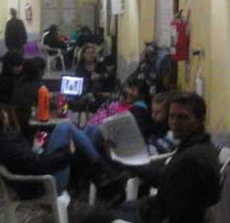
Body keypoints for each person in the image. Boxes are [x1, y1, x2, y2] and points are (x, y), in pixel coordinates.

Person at [81, 93, 221, 223]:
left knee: (93, 217)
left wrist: (144, 206)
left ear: (200, 119)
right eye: (171, 116)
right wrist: (127, 162)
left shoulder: (193, 158)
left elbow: (171, 209)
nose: (175, 122)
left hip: (157, 216)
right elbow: (163, 178)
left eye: (183, 117)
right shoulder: (197, 145)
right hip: (157, 206)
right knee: (110, 209)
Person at [0, 102, 122, 198]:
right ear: (0, 119)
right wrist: (67, 152)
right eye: (3, 112)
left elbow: (28, 159)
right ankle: (101, 170)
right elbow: (39, 166)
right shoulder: (6, 144)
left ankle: (98, 172)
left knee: (91, 129)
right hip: (44, 185)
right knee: (66, 126)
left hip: (39, 175)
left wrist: (40, 146)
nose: (6, 113)